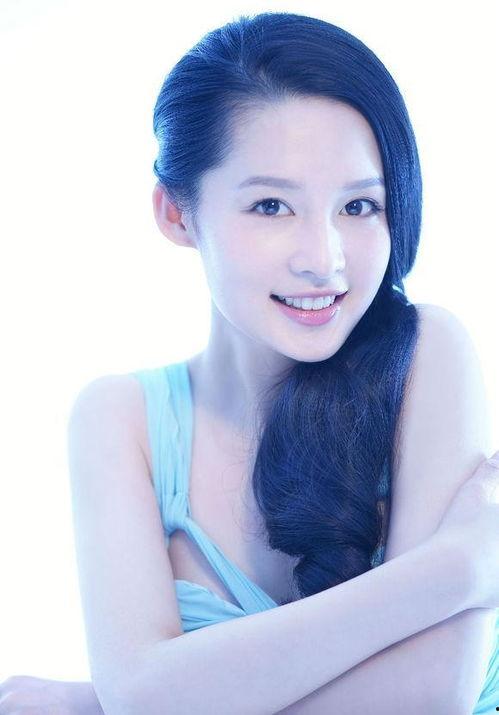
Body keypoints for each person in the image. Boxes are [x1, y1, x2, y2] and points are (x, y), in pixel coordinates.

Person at [1, 11, 499, 715]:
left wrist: (97, 704)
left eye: (359, 205)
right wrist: (459, 567)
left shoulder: (426, 354)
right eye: (271, 205)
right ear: (177, 214)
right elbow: (140, 692)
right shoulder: (122, 418)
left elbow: (430, 695)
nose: (323, 258)